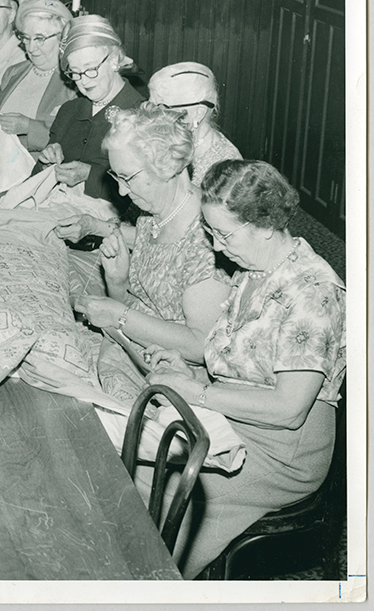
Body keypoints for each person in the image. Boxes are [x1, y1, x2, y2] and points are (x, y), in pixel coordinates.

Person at [145, 159, 345, 578]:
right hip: (237, 419)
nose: (217, 247)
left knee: (170, 497)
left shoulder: (314, 292)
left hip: (282, 451)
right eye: (210, 232)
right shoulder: (253, 268)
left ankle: (152, 584)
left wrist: (196, 392)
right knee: (143, 465)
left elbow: (288, 409)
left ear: (266, 225)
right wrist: (191, 372)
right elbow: (239, 364)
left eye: (224, 233)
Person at [73, 103, 232, 401]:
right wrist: (118, 284)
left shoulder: (207, 240)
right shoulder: (153, 215)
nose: (121, 192)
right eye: (115, 177)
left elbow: (200, 345)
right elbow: (142, 305)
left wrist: (119, 315)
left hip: (176, 380)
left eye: (128, 178)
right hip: (134, 353)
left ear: (168, 165)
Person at [35, 14, 145, 206]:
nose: (84, 81)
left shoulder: (141, 114)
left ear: (114, 60)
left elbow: (144, 193)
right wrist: (46, 161)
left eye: (90, 69)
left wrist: (89, 175)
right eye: (75, 73)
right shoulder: (70, 110)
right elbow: (35, 181)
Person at [0, 0, 76, 151]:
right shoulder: (13, 72)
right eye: (26, 38)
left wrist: (29, 127)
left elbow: (74, 141)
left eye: (39, 39)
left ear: (62, 38)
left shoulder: (74, 82)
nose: (30, 48)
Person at [148, 62, 242, 185]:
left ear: (199, 113)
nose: (151, 116)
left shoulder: (224, 167)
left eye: (163, 107)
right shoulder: (167, 139)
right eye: (151, 105)